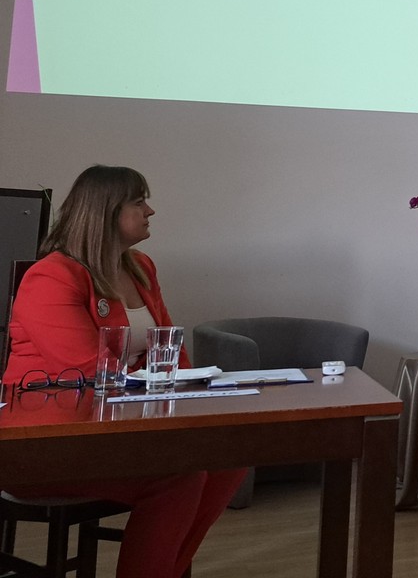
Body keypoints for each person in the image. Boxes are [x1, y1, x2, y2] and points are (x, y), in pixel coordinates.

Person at [2, 165, 245, 578]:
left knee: (229, 459)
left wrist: (196, 389)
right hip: (44, 442)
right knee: (180, 480)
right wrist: (154, 383)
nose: (150, 211)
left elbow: (171, 353)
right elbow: (87, 372)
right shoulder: (51, 276)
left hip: (114, 428)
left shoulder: (140, 267)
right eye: (138, 202)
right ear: (106, 211)